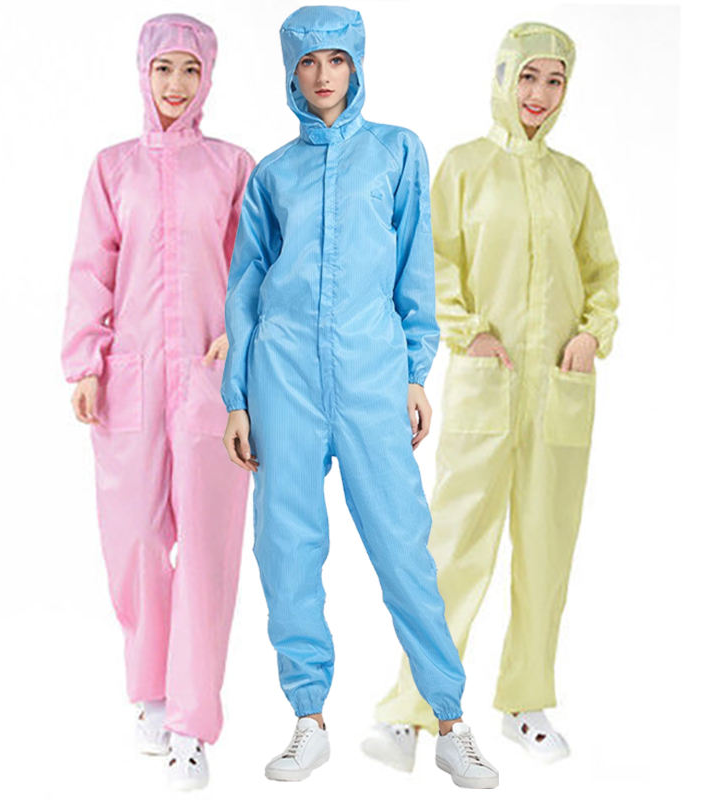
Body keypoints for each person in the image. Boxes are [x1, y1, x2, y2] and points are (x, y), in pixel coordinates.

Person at [221, 5, 498, 789]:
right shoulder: (272, 173)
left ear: (357, 64)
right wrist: (237, 397)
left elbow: (417, 268)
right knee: (287, 547)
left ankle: (450, 721)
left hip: (371, 372)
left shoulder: (397, 152)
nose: (323, 75)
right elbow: (244, 286)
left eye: (336, 59)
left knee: (403, 545)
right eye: (308, 63)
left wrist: (414, 371)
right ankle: (308, 720)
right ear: (290, 72)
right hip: (281, 376)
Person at [364, 21, 619, 766]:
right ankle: (411, 709)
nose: (540, 94)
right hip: (486, 381)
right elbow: (431, 262)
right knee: (452, 549)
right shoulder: (465, 167)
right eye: (529, 77)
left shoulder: (576, 181)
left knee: (548, 549)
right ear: (504, 79)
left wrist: (591, 335)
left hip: (559, 389)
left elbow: (602, 273)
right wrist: (467, 330)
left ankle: (525, 703)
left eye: (555, 80)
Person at [61, 13, 253, 791]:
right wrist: (85, 361)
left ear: (208, 78)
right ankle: (151, 688)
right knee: (137, 538)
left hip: (211, 378)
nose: (176, 85)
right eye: (164, 68)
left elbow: (254, 265)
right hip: (131, 376)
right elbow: (91, 267)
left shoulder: (232, 165)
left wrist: (240, 334)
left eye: (190, 70)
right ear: (143, 73)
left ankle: (192, 725)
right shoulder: (113, 168)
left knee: (206, 548)